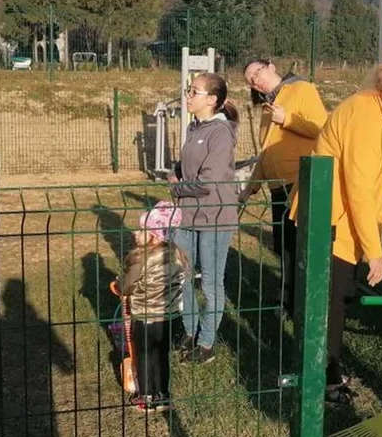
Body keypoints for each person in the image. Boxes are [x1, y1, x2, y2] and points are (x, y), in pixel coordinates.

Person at [291, 46, 382, 406]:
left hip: (343, 223)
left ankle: (324, 370)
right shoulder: (365, 117)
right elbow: (361, 190)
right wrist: (374, 252)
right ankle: (326, 381)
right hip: (330, 223)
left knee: (335, 300)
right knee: (331, 305)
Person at [240, 58, 328, 316]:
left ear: (271, 66)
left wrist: (287, 118)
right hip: (278, 187)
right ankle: (289, 300)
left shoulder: (303, 89)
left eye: (257, 72)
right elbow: (266, 152)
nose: (256, 80)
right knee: (283, 246)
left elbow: (322, 128)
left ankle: (304, 302)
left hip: (301, 182)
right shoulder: (269, 106)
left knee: (300, 246)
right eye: (251, 80)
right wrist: (251, 187)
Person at [169, 72, 239, 364]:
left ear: (212, 100)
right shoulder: (193, 128)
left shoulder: (220, 133)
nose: (187, 95)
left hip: (214, 218)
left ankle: (207, 343)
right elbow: (187, 166)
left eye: (194, 91)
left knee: (210, 283)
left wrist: (176, 186)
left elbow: (208, 182)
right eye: (189, 90)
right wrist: (176, 172)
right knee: (182, 274)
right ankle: (189, 330)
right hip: (188, 215)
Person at [115, 205, 190, 413]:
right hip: (169, 317)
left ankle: (146, 397)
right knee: (161, 354)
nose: (136, 234)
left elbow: (126, 287)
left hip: (145, 316)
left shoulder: (141, 259)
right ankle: (163, 396)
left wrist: (119, 284)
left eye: (141, 231)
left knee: (145, 354)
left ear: (154, 236)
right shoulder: (177, 254)